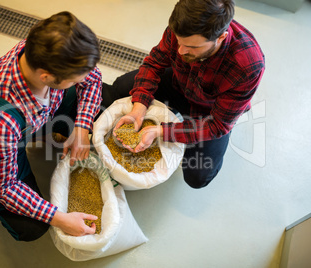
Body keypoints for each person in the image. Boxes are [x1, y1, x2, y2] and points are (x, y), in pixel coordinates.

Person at [0, 11, 102, 241]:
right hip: (1, 139)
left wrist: (82, 128)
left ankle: (55, 127)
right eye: (74, 79)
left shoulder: (43, 49)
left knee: (99, 104)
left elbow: (93, 78)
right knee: (31, 228)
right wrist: (61, 218)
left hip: (33, 117)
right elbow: (4, 187)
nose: (81, 81)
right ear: (46, 77)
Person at [102, 0, 265, 189]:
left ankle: (231, 115)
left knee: (198, 175)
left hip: (210, 109)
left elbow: (217, 125)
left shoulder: (247, 65)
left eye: (193, 47)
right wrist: (139, 107)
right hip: (180, 82)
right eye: (180, 42)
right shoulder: (183, 26)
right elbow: (154, 63)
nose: (181, 51)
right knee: (122, 86)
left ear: (220, 38)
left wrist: (162, 131)